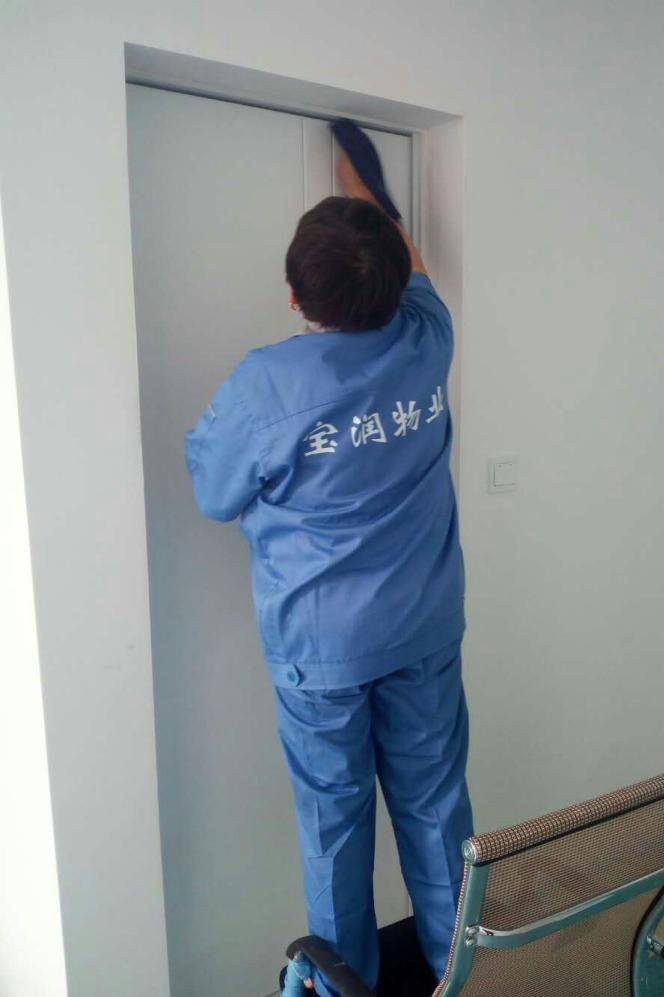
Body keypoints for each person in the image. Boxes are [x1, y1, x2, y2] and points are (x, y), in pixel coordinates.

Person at [184, 145, 473, 997]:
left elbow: (213, 492)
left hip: (321, 651)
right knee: (437, 811)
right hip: (423, 627)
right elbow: (409, 261)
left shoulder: (266, 386)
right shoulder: (427, 337)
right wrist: (361, 176)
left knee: (335, 831)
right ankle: (463, 979)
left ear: (293, 296)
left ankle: (347, 989)